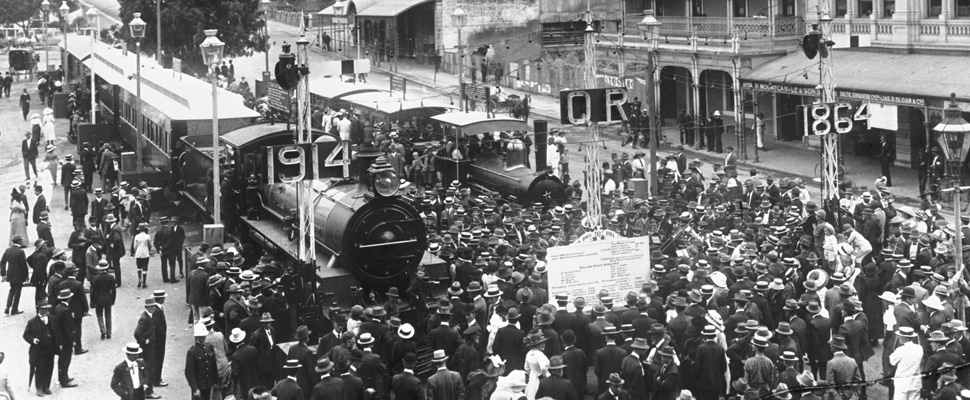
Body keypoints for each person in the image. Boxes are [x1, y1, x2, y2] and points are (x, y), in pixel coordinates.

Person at [24, 299, 57, 396]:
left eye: (48, 309)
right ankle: (38, 387)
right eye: (44, 309)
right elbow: (26, 335)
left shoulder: (52, 318)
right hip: (39, 350)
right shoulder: (32, 322)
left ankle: (46, 386)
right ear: (39, 309)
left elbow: (56, 331)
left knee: (49, 367)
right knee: (40, 368)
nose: (47, 311)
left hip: (50, 349)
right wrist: (33, 340)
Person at [51, 288, 78, 388]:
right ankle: (64, 380)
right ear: (68, 299)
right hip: (66, 340)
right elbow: (68, 328)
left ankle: (63, 377)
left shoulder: (58, 307)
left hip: (61, 339)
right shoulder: (66, 310)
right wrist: (73, 340)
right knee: (66, 359)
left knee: (62, 360)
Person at [185, 322, 217, 400]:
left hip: (208, 384)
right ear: (197, 337)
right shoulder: (192, 352)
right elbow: (189, 372)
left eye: (204, 336)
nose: (203, 338)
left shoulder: (209, 347)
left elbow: (214, 366)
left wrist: (216, 382)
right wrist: (195, 388)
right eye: (200, 336)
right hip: (199, 386)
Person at [1, 234, 29, 315]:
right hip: (19, 275)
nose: (23, 241)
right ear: (19, 241)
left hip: (10, 274)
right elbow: (23, 265)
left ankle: (7, 306)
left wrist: (3, 273)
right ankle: (14, 309)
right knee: (17, 292)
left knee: (12, 289)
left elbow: (2, 262)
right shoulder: (20, 251)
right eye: (22, 240)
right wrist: (26, 275)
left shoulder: (7, 250)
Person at [90, 260, 116, 339]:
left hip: (99, 298)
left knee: (99, 315)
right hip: (108, 297)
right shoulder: (111, 277)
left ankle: (103, 330)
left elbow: (93, 290)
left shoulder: (96, 278)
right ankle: (109, 333)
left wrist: (92, 300)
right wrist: (113, 300)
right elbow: (113, 290)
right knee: (108, 315)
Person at [154, 216, 178, 283]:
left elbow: (155, 242)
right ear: (167, 222)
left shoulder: (158, 232)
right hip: (171, 250)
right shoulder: (170, 231)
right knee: (172, 264)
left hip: (163, 251)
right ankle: (172, 278)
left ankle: (165, 279)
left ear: (161, 223)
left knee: (164, 265)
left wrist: (159, 249)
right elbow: (172, 241)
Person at [131, 224, 154, 288]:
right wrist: (148, 250)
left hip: (138, 253)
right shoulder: (147, 236)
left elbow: (134, 246)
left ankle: (139, 279)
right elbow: (150, 245)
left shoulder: (136, 236)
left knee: (139, 267)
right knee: (145, 268)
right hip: (145, 253)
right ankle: (144, 282)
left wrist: (136, 252)